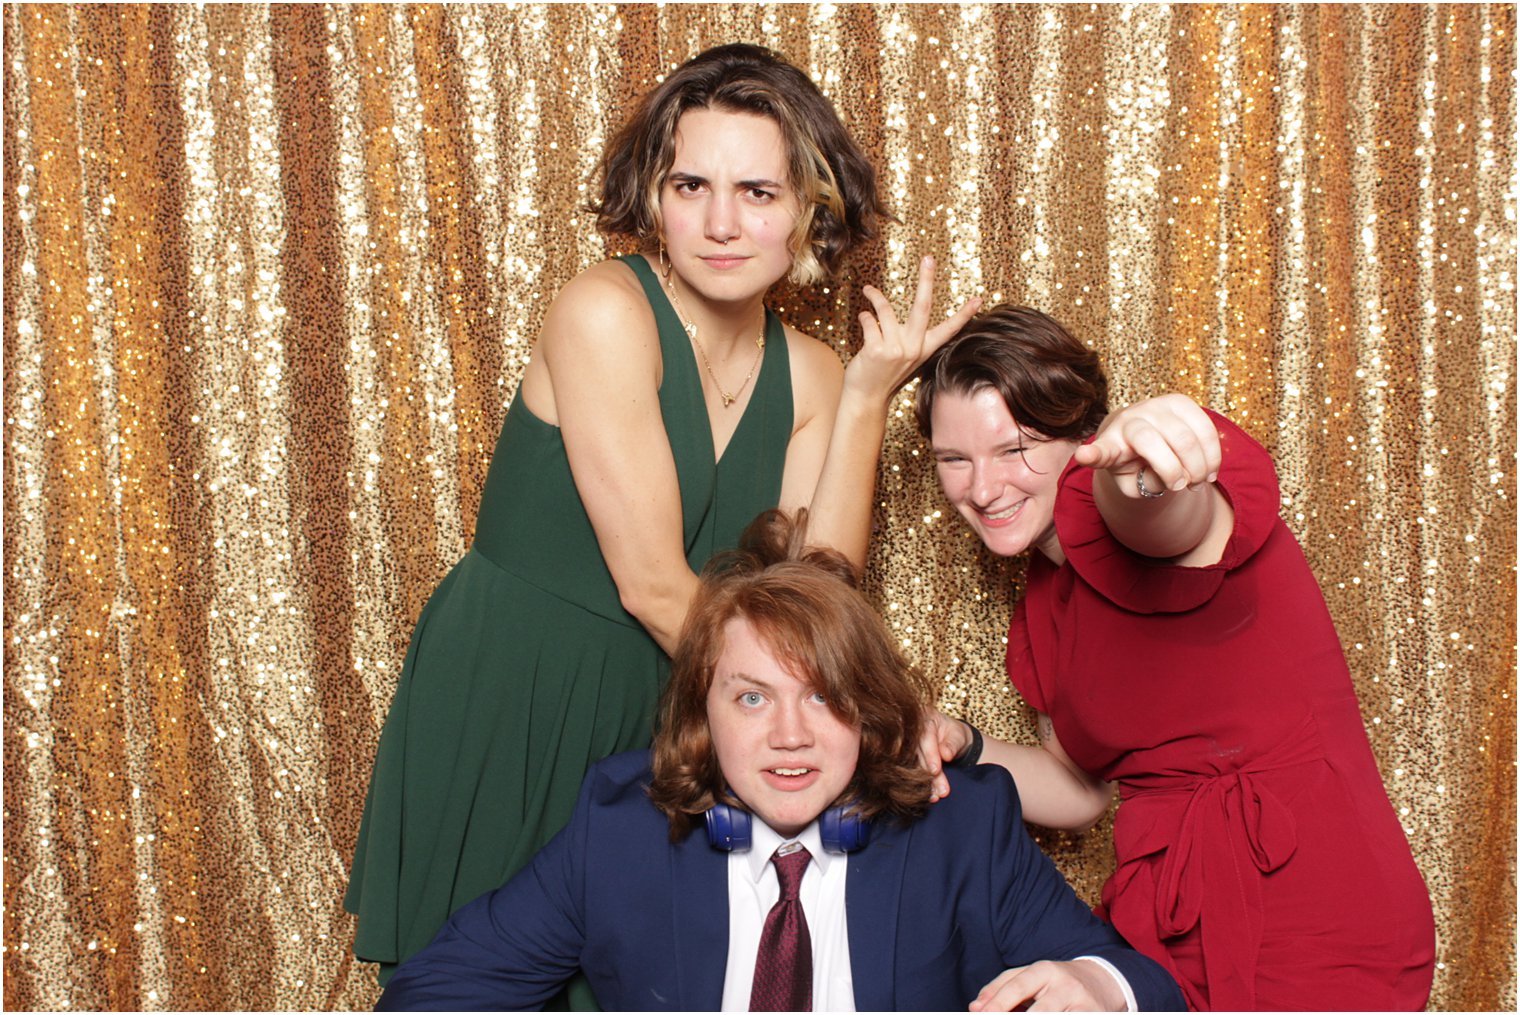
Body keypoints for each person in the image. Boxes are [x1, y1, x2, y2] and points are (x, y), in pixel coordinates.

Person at [345, 42, 979, 987]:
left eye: (758, 193)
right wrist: (852, 710)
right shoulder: (604, 309)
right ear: (654, 195)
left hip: (673, 708)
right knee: (473, 978)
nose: (721, 223)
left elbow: (817, 595)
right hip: (523, 690)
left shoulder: (810, 370)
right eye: (691, 186)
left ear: (810, 207)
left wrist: (864, 401)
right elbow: (652, 585)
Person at [375, 511, 1185, 1012]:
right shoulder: (617, 824)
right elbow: (438, 988)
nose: (790, 734)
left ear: (869, 710)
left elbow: (1140, 983)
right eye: (752, 697)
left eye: (825, 697)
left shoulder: (964, 825)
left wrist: (1098, 989)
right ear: (702, 712)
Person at [915, 305, 1437, 1010]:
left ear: (1081, 435)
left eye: (1016, 449)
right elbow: (1078, 790)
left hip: (1321, 916)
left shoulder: (1133, 514)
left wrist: (1143, 469)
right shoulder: (1045, 603)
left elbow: (1169, 518)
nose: (981, 488)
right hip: (1168, 931)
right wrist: (966, 741)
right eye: (955, 459)